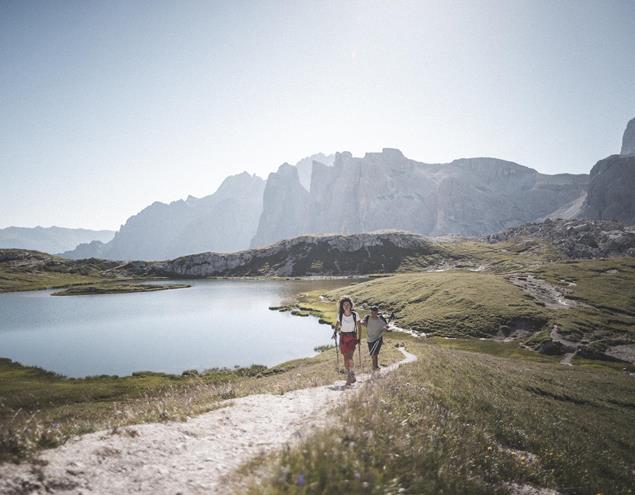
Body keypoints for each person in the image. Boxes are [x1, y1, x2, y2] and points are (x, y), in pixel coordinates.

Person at [332, 296, 361, 385]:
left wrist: (359, 338)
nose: (346, 306)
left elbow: (359, 327)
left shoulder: (355, 315)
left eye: (348, 304)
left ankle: (350, 375)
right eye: (344, 304)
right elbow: (337, 324)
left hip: (352, 337)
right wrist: (334, 333)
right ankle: (350, 374)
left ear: (351, 305)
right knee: (345, 358)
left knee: (349, 357)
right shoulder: (340, 315)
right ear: (342, 306)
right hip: (343, 337)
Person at [363, 305, 391, 371]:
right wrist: (360, 322)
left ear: (377, 312)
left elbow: (387, 327)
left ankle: (374, 367)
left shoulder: (380, 320)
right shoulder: (367, 317)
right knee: (373, 354)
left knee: (374, 353)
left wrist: (387, 330)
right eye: (371, 312)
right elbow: (363, 322)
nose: (373, 314)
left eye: (374, 312)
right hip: (369, 339)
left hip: (378, 339)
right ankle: (376, 366)